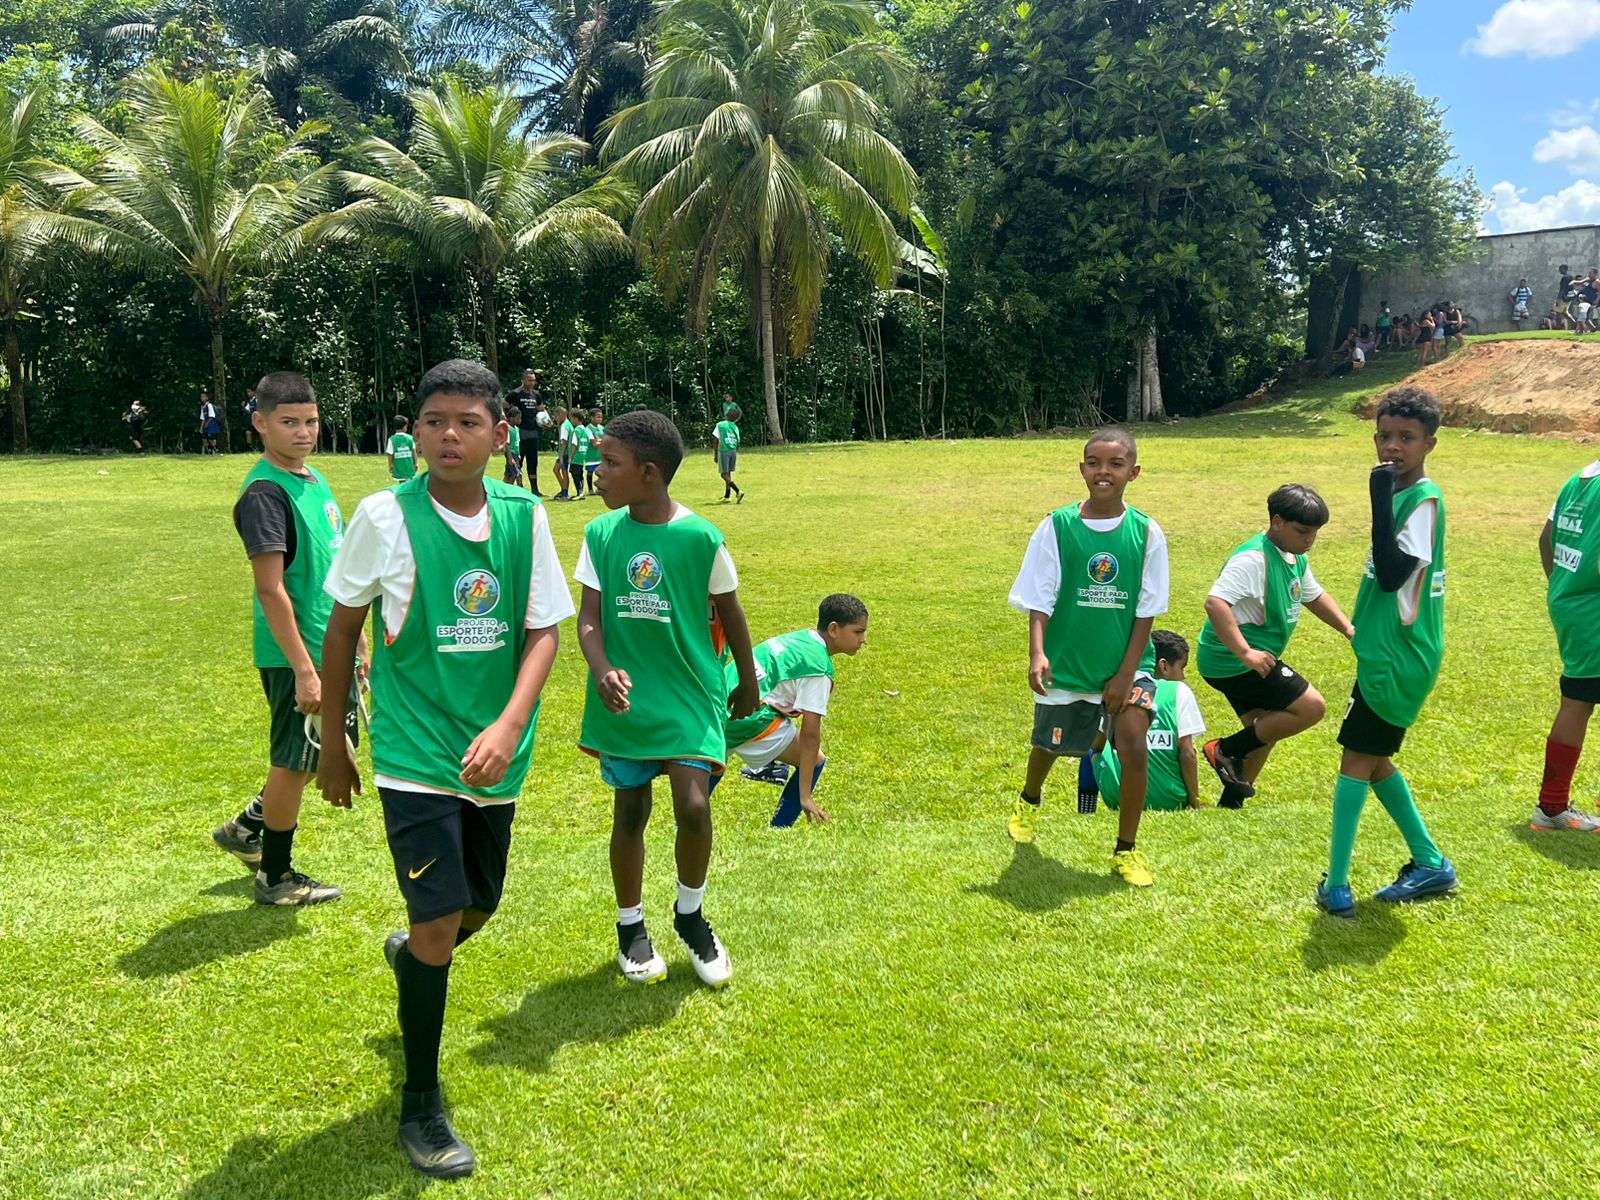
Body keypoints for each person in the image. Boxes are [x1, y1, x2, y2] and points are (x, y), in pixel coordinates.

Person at [317, 358, 571, 1180]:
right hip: (415, 752)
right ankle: (421, 1105)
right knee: (437, 923)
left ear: (501, 435)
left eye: (467, 422)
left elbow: (543, 631)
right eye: (434, 422)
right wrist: (333, 740)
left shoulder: (524, 515)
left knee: (477, 905)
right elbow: (343, 630)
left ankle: (414, 956)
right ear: (415, 434)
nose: (449, 435)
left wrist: (508, 723)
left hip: (496, 754)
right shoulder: (383, 516)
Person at [574, 409, 760, 988]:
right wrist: (602, 669)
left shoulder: (701, 537)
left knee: (694, 806)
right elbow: (588, 619)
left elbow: (731, 612)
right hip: (626, 698)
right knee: (630, 811)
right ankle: (631, 927)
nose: (597, 471)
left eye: (609, 462)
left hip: (688, 693)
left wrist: (748, 682)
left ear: (649, 473)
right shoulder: (600, 535)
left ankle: (690, 915)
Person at [210, 371, 360, 905]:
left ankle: (246, 828)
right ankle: (275, 877)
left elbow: (336, 568)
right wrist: (304, 670)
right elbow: (271, 590)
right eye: (289, 422)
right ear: (260, 423)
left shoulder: (312, 479)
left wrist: (356, 643)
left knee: (316, 752)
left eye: (311, 422)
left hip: (329, 643)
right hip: (297, 653)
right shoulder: (265, 494)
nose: (303, 432)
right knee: (295, 761)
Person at [1006, 425, 1170, 887]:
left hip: (1127, 664)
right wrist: (1038, 652)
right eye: (1095, 463)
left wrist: (1126, 673)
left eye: (1116, 464)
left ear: (1133, 472)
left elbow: (1147, 609)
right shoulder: (1057, 526)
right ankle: (1029, 799)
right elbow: (1040, 596)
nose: (1104, 472)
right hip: (1068, 662)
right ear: (1082, 469)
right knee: (1051, 745)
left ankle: (1126, 850)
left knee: (1133, 744)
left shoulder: (1147, 532)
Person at [1316, 386, 1457, 917]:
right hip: (1385, 650)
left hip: (1399, 655)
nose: (1392, 447)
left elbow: (1393, 574)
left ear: (1429, 444)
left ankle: (1337, 884)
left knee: (1356, 759)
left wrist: (1378, 497)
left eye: (1406, 438)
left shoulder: (1421, 501)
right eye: (1384, 436)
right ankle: (1430, 861)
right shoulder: (1402, 494)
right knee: (1372, 760)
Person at [1195, 483, 1354, 808]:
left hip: (1238, 661)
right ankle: (1224, 750)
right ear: (1277, 522)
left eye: (1315, 533)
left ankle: (1231, 804)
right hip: (1232, 661)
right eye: (1302, 531)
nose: (1309, 540)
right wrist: (1246, 653)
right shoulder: (1254, 559)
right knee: (1311, 707)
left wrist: (1349, 630)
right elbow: (1215, 603)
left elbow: (1313, 596)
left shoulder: (1293, 557)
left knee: (1265, 730)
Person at [712, 594, 869, 827]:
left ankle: (684, 824)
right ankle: (781, 827)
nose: (863, 640)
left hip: (717, 706)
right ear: (834, 629)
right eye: (858, 632)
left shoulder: (801, 639)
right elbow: (810, 735)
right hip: (747, 717)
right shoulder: (818, 668)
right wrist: (806, 795)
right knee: (815, 760)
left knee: (713, 766)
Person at [1531, 457, 1600, 832]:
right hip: (1594, 608)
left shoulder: (1580, 478)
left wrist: (1561, 588)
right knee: (1577, 701)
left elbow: (1547, 539)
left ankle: (1552, 807)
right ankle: (1552, 807)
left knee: (1577, 700)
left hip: (1572, 606)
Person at [1084, 629, 1203, 813]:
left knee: (1091, 749)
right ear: (1163, 666)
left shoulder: (1118, 689)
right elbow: (1187, 754)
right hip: (1170, 800)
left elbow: (1096, 744)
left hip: (1118, 799)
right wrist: (1195, 802)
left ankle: (1086, 808)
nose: (1183, 676)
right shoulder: (1179, 690)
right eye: (1182, 667)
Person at [505, 369, 543, 495]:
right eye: (529, 380)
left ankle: (535, 490)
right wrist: (505, 420)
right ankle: (514, 489)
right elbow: (502, 406)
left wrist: (546, 420)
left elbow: (541, 410)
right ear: (523, 380)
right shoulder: (515, 394)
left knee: (533, 461)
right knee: (517, 461)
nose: (532, 383)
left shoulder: (536, 395)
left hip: (533, 432)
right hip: (520, 432)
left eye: (533, 381)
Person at [713, 405, 744, 503]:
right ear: (736, 419)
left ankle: (738, 491)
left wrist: (715, 454)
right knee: (728, 473)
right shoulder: (735, 427)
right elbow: (738, 441)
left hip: (724, 450)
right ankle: (727, 496)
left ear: (726, 415)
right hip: (733, 451)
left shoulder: (720, 425)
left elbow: (716, 439)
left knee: (723, 474)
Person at [386, 415, 417, 483]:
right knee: (410, 483)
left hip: (398, 467)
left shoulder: (391, 439)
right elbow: (414, 452)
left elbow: (390, 454)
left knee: (402, 483)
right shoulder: (410, 438)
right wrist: (416, 463)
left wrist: (390, 465)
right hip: (409, 466)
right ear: (405, 426)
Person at [570, 413, 593, 499]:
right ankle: (581, 491)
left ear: (576, 419)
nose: (571, 421)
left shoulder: (576, 431)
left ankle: (580, 492)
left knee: (575, 473)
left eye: (572, 419)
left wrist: (570, 456)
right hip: (583, 453)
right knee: (580, 473)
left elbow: (574, 444)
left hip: (576, 455)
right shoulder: (586, 430)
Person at [553, 406, 573, 500]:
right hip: (566, 452)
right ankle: (563, 489)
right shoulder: (568, 424)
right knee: (556, 469)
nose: (556, 418)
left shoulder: (564, 426)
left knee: (564, 472)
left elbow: (564, 442)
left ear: (560, 414)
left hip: (564, 453)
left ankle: (565, 493)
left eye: (556, 416)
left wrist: (561, 456)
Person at [503, 404, 524, 486]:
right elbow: (507, 443)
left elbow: (517, 442)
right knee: (518, 474)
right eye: (517, 418)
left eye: (520, 418)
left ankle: (504, 488)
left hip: (515, 453)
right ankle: (521, 490)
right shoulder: (508, 429)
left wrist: (518, 454)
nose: (520, 420)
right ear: (511, 418)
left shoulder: (517, 429)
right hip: (510, 453)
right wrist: (510, 457)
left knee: (510, 474)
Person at [586, 407, 604, 495]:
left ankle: (600, 488)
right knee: (590, 472)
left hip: (600, 455)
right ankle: (590, 489)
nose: (600, 419)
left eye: (601, 417)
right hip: (591, 455)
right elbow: (594, 443)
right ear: (592, 418)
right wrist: (603, 441)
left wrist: (600, 441)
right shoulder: (588, 429)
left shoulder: (602, 428)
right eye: (598, 417)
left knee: (601, 472)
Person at [198, 390, 221, 454]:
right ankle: (208, 451)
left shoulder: (209, 405)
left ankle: (214, 450)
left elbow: (212, 416)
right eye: (201, 396)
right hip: (205, 425)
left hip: (211, 425)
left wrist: (207, 424)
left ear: (207, 398)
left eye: (203, 396)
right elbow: (203, 418)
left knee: (211, 439)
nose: (202, 398)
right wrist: (201, 428)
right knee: (204, 438)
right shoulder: (203, 407)